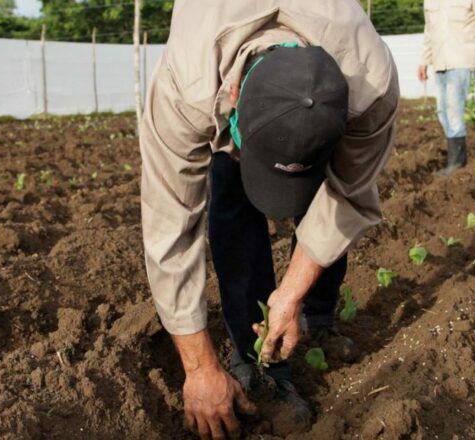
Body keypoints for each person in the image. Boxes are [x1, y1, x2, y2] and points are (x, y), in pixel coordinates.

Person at [139, 1, 399, 438]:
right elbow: (170, 230)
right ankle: (253, 358)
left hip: (333, 69)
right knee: (232, 195)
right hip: (218, 68)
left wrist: (292, 293)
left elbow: (347, 193)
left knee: (324, 194)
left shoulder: (369, 82)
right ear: (235, 98)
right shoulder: (186, 85)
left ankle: (319, 315)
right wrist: (200, 366)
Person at [418, 0, 475, 176]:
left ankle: (457, 163)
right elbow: (429, 31)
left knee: (453, 110)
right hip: (439, 61)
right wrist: (424, 61)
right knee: (442, 111)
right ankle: (455, 159)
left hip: (462, 59)